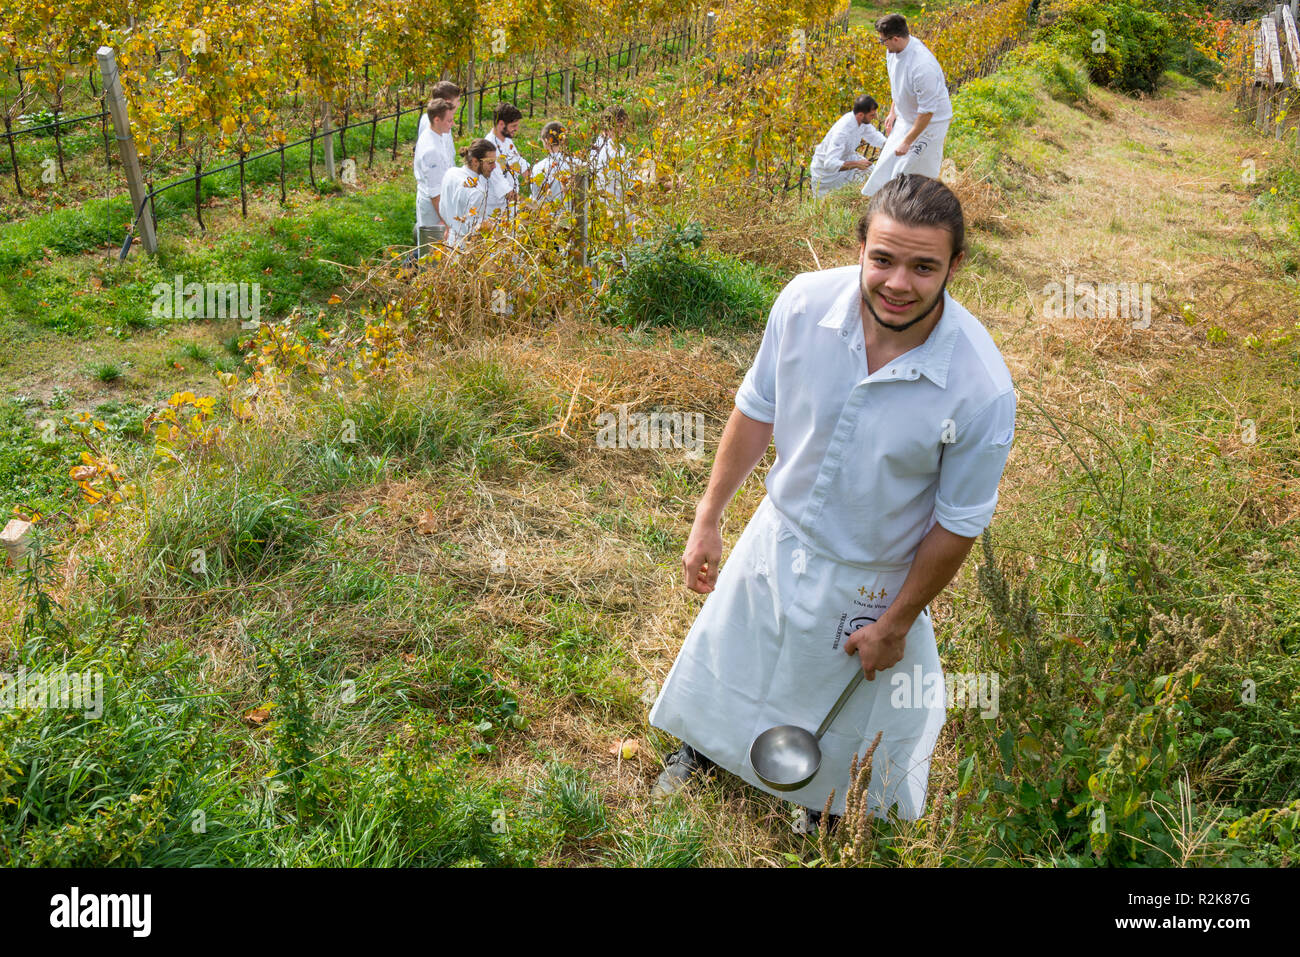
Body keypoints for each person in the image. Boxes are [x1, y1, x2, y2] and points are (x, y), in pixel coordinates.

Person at [648, 175, 1017, 829]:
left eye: (923, 266)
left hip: (870, 575)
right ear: (860, 248)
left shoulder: (979, 387)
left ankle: (822, 805)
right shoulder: (802, 306)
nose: (898, 283)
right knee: (737, 652)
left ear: (955, 266)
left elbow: (959, 522)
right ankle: (701, 749)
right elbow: (755, 412)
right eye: (883, 259)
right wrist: (708, 519)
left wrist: (898, 621)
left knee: (836, 700)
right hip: (779, 533)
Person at [860, 14, 953, 198]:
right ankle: (884, 200)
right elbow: (899, 83)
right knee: (888, 163)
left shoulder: (922, 67)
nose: (882, 44)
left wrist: (907, 141)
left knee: (911, 168)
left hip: (930, 124)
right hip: (907, 118)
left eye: (883, 41)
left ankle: (914, 204)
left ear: (895, 38)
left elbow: (927, 113)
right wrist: (893, 111)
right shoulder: (893, 51)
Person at [810, 94, 886, 199]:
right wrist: (857, 164)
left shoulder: (861, 122)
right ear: (860, 115)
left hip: (847, 159)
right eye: (872, 115)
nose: (875, 117)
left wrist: (891, 146)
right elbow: (830, 163)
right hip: (825, 174)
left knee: (872, 176)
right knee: (830, 203)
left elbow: (874, 136)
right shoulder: (842, 131)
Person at [412, 98, 456, 258]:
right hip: (434, 210)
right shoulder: (431, 150)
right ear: (437, 120)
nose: (452, 124)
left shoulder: (437, 135)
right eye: (449, 120)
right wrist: (445, 220)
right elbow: (435, 193)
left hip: (438, 203)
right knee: (431, 254)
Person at [438, 139, 498, 249]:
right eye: (490, 162)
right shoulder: (477, 192)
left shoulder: (450, 173)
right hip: (467, 249)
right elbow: (474, 232)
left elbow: (442, 208)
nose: (494, 166)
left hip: (450, 241)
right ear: (475, 161)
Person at [485, 102, 529, 221]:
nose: (516, 129)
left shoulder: (507, 141)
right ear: (501, 124)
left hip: (509, 206)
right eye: (513, 125)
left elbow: (519, 163)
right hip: (495, 209)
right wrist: (526, 204)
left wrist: (537, 180)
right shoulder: (488, 147)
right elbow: (499, 182)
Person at [528, 122, 574, 205]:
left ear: (546, 141)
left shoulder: (538, 168)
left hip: (547, 215)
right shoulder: (577, 164)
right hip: (573, 215)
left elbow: (535, 197)